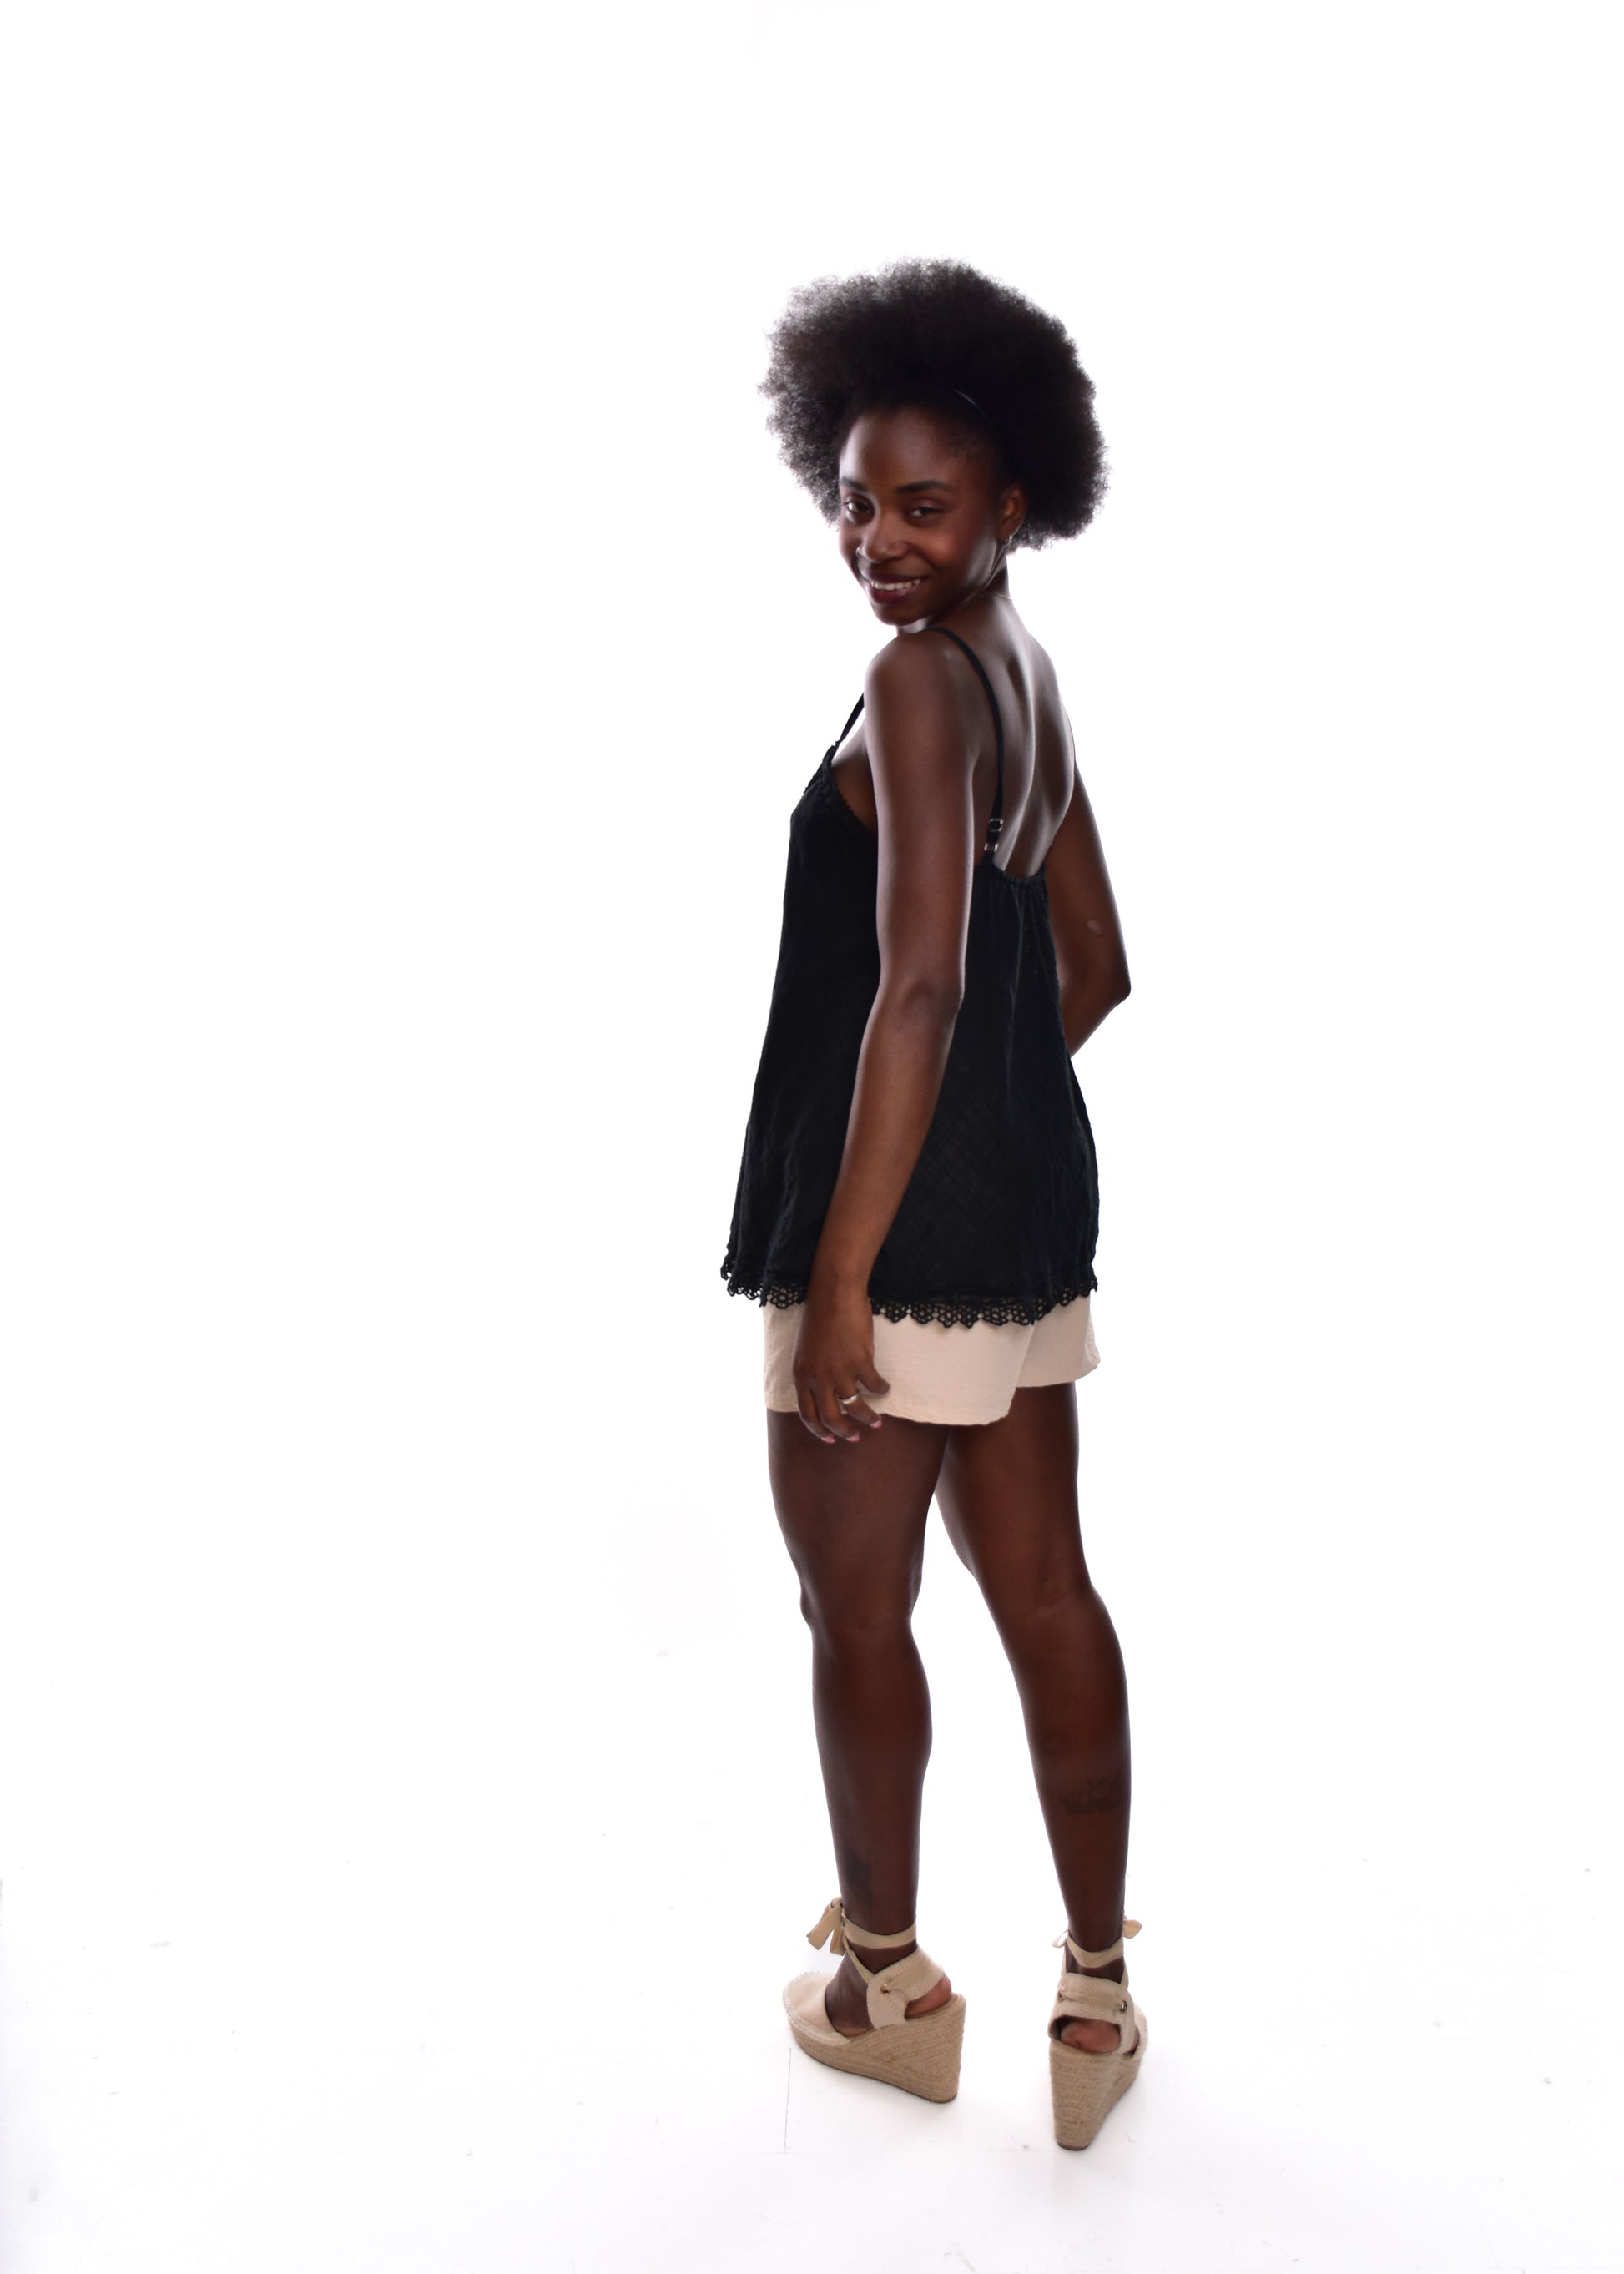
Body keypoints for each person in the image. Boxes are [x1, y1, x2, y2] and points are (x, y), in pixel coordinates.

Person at [719, 260, 1141, 2151]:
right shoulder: (1020, 672)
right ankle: (1097, 1992)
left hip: (885, 1233)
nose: (878, 541)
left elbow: (918, 987)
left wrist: (843, 1277)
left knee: (854, 1602)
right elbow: (1094, 966)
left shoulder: (912, 680)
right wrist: (988, 1131)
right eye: (855, 502)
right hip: (1018, 1222)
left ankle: (885, 1985)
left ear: (1011, 504)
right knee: (1044, 1590)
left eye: (923, 506)